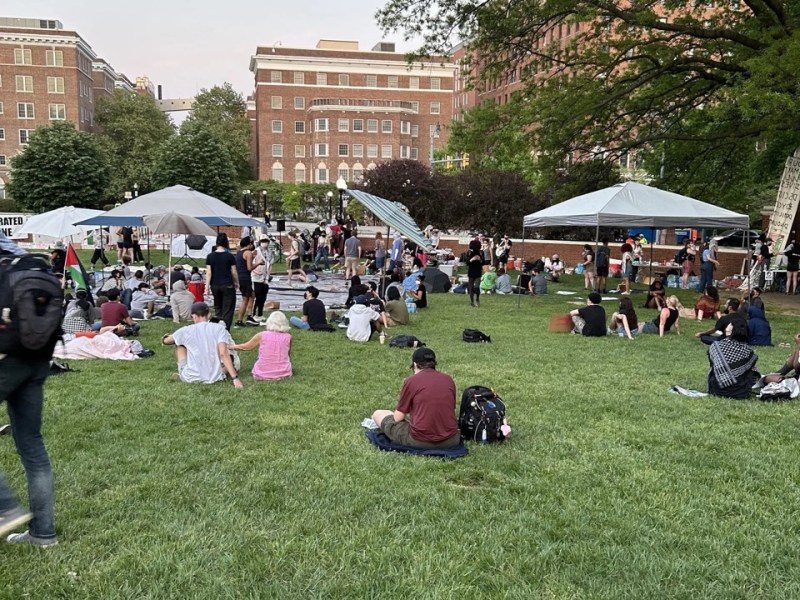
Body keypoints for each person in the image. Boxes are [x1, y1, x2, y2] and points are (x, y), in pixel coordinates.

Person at [0, 235, 59, 547]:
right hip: (39, 360)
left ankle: (5, 508)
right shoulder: (29, 261)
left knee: (32, 446)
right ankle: (43, 533)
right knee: (32, 446)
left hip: (6, 358)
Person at [371, 347, 461, 449]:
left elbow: (398, 418)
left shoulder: (411, 381)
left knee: (378, 414)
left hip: (419, 440)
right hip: (451, 440)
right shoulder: (448, 379)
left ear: (414, 364)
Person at [162, 302, 242, 388]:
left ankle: (182, 373)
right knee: (228, 355)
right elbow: (223, 354)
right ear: (209, 314)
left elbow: (167, 341)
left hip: (191, 377)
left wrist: (165, 338)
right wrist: (235, 378)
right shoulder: (220, 328)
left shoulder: (186, 331)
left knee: (180, 345)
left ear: (194, 316)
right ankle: (223, 372)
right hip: (216, 377)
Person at [231, 311, 292, 381]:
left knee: (259, 357)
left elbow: (246, 347)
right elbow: (287, 355)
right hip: (284, 373)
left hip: (262, 373)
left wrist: (232, 346)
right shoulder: (288, 337)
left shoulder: (262, 335)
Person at [707, 320, 759, 399]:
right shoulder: (748, 351)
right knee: (752, 369)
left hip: (716, 391)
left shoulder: (716, 346)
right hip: (741, 393)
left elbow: (713, 366)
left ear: (729, 332)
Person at [206, 233, 238, 330]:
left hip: (215, 285)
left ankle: (217, 328)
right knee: (228, 308)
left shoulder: (210, 256)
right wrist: (237, 282)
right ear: (226, 242)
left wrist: (206, 286)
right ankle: (225, 329)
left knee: (218, 307)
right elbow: (234, 271)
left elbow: (209, 273)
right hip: (227, 284)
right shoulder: (229, 256)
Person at [234, 237, 257, 328]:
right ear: (249, 244)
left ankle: (249, 315)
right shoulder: (248, 253)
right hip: (245, 278)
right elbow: (249, 268)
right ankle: (239, 320)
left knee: (252, 295)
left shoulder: (239, 252)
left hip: (240, 277)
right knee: (245, 299)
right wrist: (258, 263)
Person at [251, 238, 271, 321]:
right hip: (256, 277)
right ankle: (254, 314)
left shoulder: (269, 252)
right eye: (263, 241)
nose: (265, 243)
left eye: (266, 241)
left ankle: (260, 313)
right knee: (258, 296)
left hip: (265, 277)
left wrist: (267, 277)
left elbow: (269, 264)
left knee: (263, 297)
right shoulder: (256, 251)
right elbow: (251, 263)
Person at [466, 239, 483, 307]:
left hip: (478, 271)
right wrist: (472, 259)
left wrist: (480, 260)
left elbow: (483, 262)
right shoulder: (469, 252)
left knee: (476, 287)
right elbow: (467, 262)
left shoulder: (481, 253)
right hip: (471, 271)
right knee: (471, 287)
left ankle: (477, 299)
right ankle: (472, 301)